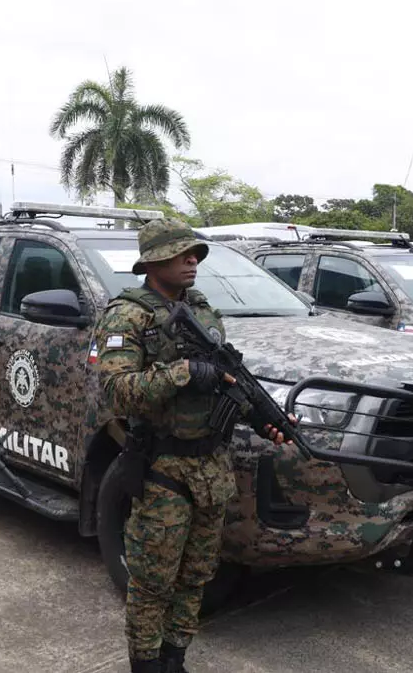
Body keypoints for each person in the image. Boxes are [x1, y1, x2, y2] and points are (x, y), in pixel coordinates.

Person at [94, 218, 291, 673]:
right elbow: (116, 392)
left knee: (197, 575)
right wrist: (182, 374)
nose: (192, 261)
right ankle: (146, 664)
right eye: (181, 254)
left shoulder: (201, 309)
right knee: (152, 581)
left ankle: (175, 658)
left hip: (211, 468)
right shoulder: (127, 315)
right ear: (153, 262)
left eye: (195, 254)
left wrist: (266, 420)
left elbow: (228, 382)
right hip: (162, 470)